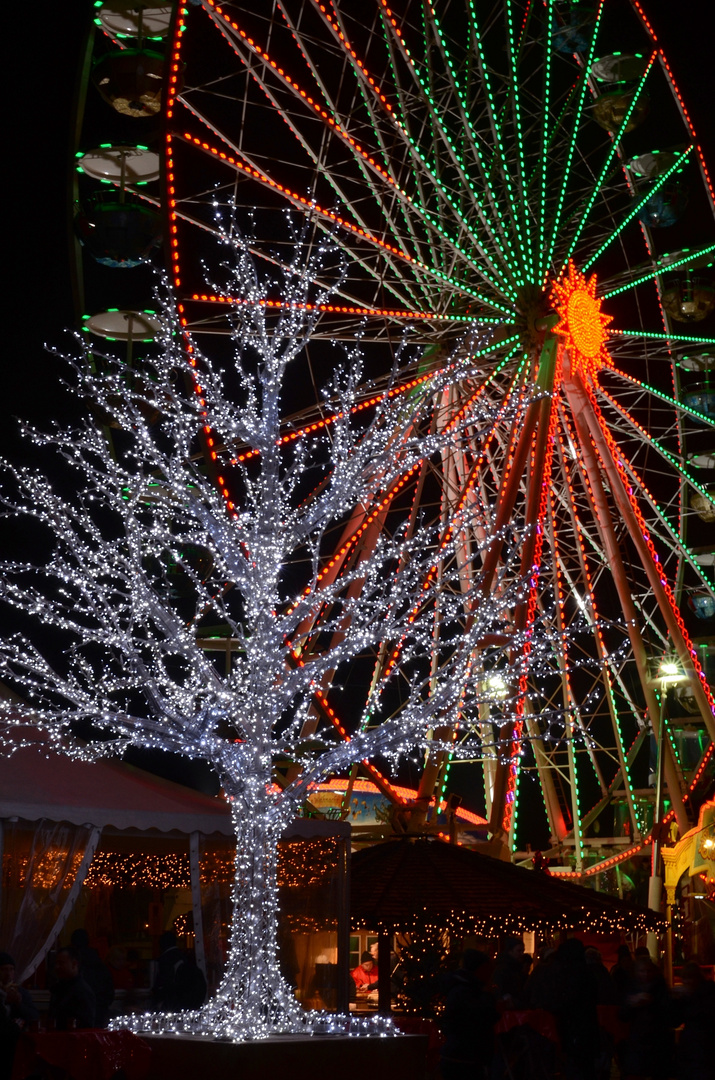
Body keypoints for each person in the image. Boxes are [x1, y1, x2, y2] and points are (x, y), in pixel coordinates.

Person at [440, 950, 498, 1080]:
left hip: (463, 1055)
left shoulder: (463, 989)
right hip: (465, 1056)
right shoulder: (467, 992)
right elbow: (481, 1018)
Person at [619, 954, 674, 1080]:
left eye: (648, 971)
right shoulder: (631, 987)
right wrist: (631, 1004)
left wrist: (652, 1002)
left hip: (658, 1040)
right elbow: (622, 1015)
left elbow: (668, 1012)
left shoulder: (660, 987)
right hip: (638, 1039)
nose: (645, 974)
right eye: (642, 971)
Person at [671, 960, 715, 1080]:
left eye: (689, 978)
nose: (686, 982)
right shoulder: (688, 996)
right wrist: (675, 1001)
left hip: (705, 1046)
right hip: (691, 1047)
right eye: (684, 979)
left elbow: (703, 1015)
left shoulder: (707, 993)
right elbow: (675, 1020)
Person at [1, 951, 39, 1080]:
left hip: (20, 1046)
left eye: (11, 969)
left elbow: (34, 1016)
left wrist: (19, 1003)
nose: (8, 974)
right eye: (4, 969)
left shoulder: (21, 992)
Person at [152, 930, 207, 1012]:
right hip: (192, 1002)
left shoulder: (166, 959)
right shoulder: (184, 956)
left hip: (176, 1004)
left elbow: (165, 984)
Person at [70, 929, 115, 1026]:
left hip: (76, 1016)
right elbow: (109, 990)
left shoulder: (74, 965)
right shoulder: (99, 964)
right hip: (99, 1012)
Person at [48, 947, 96, 1030]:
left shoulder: (83, 991)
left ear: (74, 964)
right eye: (56, 963)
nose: (57, 967)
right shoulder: (58, 989)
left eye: (61, 963)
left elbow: (86, 1025)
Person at [493, 936, 527, 1008]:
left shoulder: (516, 967)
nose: (521, 954)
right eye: (519, 951)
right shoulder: (504, 968)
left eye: (522, 951)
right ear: (510, 951)